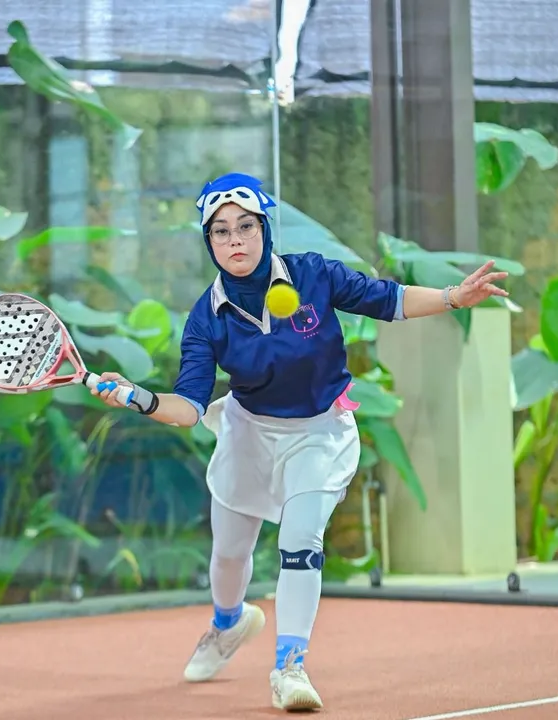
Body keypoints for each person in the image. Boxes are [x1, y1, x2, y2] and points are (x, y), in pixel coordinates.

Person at [93, 172, 509, 711]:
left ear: (265, 229)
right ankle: (228, 623)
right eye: (221, 231)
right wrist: (138, 398)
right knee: (229, 554)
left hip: (319, 433)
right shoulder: (205, 319)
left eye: (246, 226)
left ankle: (289, 667)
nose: (235, 240)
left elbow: (388, 299)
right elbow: (190, 408)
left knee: (301, 541)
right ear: (209, 241)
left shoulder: (313, 273)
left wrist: (455, 296)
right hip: (248, 433)